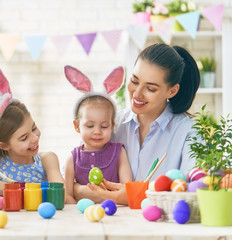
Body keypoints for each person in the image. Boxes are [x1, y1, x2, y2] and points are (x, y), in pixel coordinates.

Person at [74, 43, 200, 205]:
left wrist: (135, 195)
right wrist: (79, 190)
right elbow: (73, 173)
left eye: (150, 89)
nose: (137, 93)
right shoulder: (111, 124)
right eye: (134, 81)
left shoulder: (187, 133)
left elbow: (194, 191)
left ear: (172, 91)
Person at [0, 64, 64, 199]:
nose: (34, 138)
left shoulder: (47, 159)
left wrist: (10, 190)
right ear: (4, 145)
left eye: (34, 128)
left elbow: (61, 193)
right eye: (24, 138)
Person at [63, 65, 132, 204]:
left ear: (112, 126)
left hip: (115, 214)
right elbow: (68, 197)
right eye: (90, 126)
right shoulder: (73, 159)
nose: (97, 131)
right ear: (77, 126)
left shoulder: (119, 152)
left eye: (104, 126)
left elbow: (128, 189)